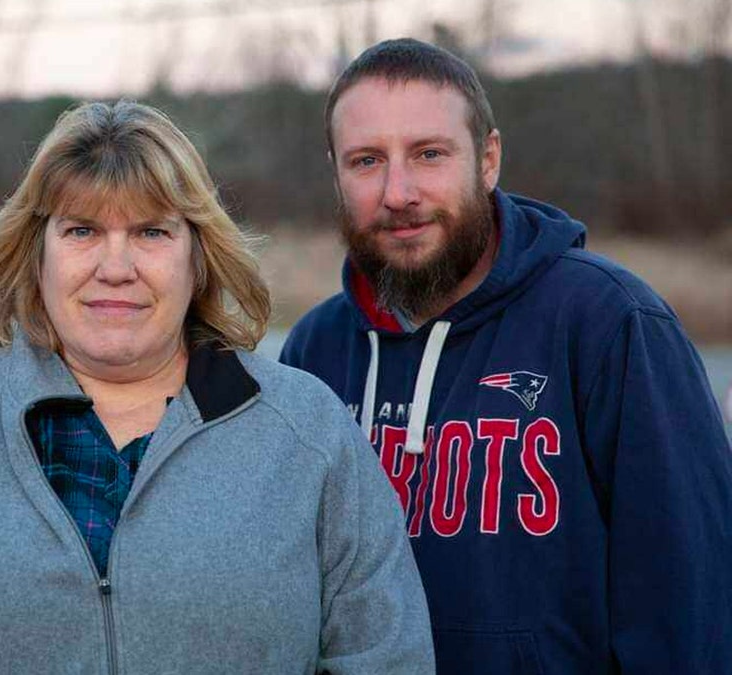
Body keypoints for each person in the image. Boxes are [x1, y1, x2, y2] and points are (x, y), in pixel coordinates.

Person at [0, 100, 434, 673]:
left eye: (152, 232)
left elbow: (384, 653)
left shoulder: (306, 430)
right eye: (82, 231)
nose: (116, 268)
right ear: (34, 253)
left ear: (198, 255)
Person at [280, 38, 732, 674]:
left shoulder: (608, 322)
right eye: (366, 161)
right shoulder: (317, 350)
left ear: (487, 159)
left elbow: (688, 601)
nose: (398, 191)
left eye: (429, 154)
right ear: (336, 173)